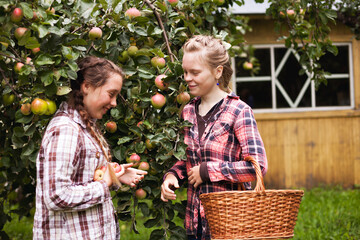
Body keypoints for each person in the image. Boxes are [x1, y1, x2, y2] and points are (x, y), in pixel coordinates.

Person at [160, 35, 268, 240]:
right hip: (195, 223)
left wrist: (208, 171)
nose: (187, 78)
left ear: (217, 71)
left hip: (230, 223)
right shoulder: (188, 111)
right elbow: (188, 160)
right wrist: (172, 176)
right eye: (185, 72)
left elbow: (258, 167)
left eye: (195, 72)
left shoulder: (239, 111)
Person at [33, 56, 147, 239]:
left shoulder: (86, 126)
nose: (114, 103)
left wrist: (114, 175)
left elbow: (84, 177)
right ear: (86, 87)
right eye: (111, 94)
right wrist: (104, 184)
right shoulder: (66, 129)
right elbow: (57, 195)